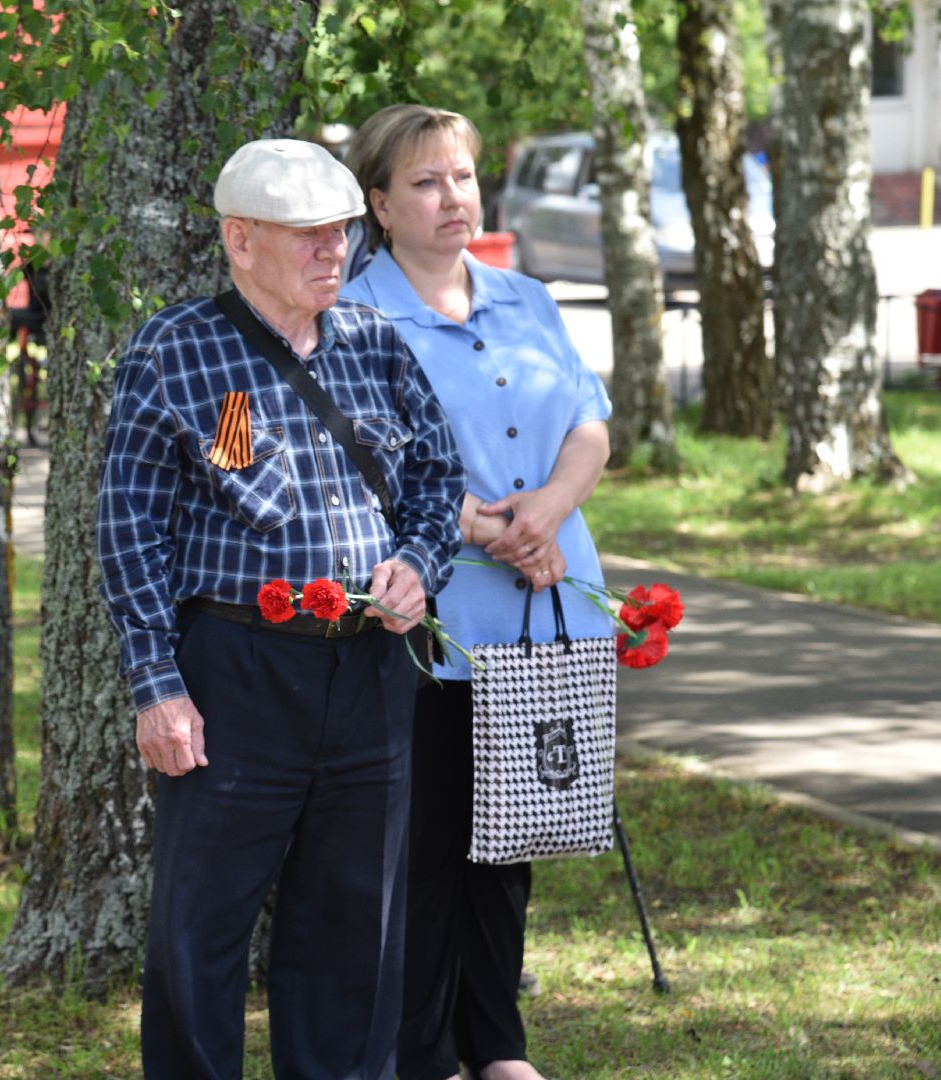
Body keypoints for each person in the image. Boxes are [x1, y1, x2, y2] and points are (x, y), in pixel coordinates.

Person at [97, 138, 465, 1079]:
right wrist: (156, 687)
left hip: (370, 669)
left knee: (355, 926)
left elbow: (435, 475)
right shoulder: (174, 348)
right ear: (240, 240)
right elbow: (127, 529)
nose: (332, 251)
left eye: (341, 232)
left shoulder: (379, 345)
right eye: (306, 235)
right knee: (200, 928)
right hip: (235, 668)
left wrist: (420, 567)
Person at [339, 104, 613, 1080]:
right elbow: (366, 458)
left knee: (512, 838)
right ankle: (426, 1053)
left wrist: (548, 506)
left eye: (459, 175)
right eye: (423, 182)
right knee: (428, 849)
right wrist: (492, 528)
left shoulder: (526, 298)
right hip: (437, 619)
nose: (451, 196)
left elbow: (588, 422)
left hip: (545, 612)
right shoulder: (354, 316)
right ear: (377, 203)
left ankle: (498, 1048)